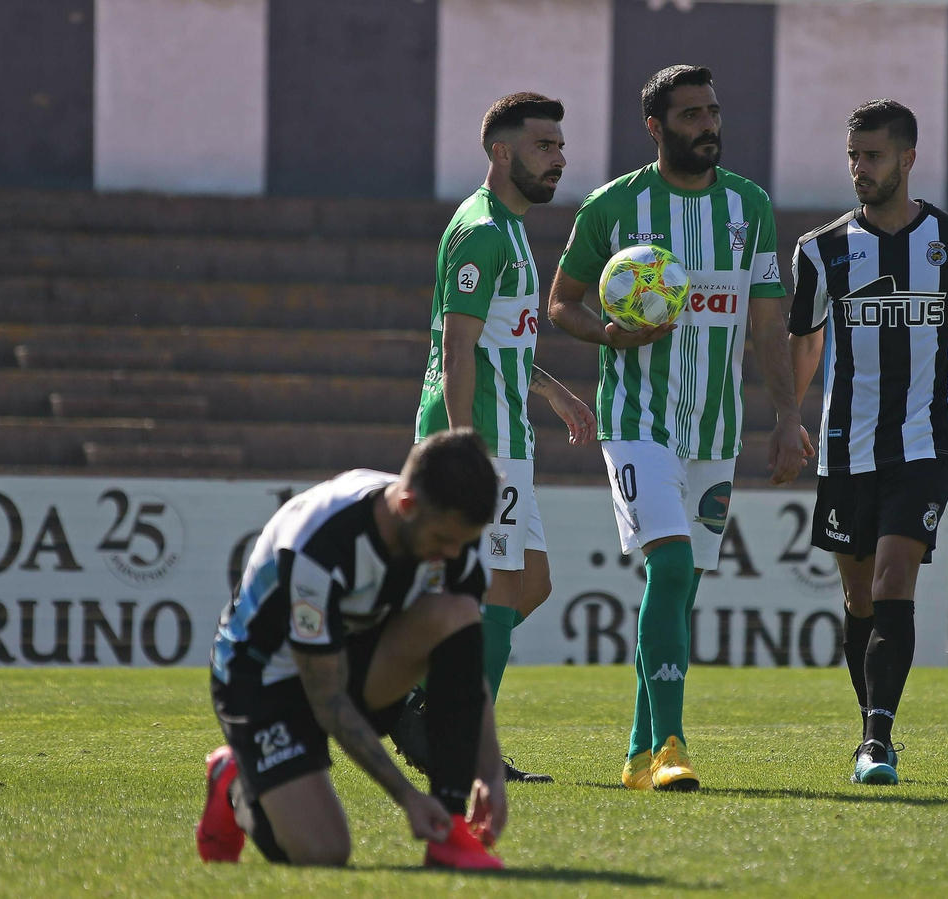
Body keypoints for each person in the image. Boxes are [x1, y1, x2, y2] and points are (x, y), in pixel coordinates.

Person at [548, 65, 810, 792]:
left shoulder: (748, 206)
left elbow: (766, 323)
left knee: (678, 590)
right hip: (636, 423)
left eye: (714, 111)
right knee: (667, 570)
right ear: (656, 127)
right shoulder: (614, 206)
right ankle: (671, 743)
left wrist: (788, 415)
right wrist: (608, 335)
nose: (709, 125)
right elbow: (561, 303)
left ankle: (636, 752)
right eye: (691, 114)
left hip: (714, 430)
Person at [787, 100, 948, 785]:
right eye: (853, 156)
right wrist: (784, 414)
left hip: (923, 444)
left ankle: (879, 740)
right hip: (844, 447)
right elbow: (806, 339)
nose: (861, 168)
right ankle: (870, 723)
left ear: (908, 158)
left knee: (891, 582)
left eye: (874, 156)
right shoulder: (819, 250)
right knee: (857, 598)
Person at [195, 429, 507, 869]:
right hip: (263, 682)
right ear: (406, 505)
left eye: (461, 540)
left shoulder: (452, 535)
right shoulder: (320, 545)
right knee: (324, 853)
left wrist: (490, 774)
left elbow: (466, 666)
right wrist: (407, 797)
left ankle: (450, 830)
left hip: (346, 660)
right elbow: (326, 699)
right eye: (443, 540)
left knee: (456, 612)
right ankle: (235, 781)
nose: (453, 553)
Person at [414, 92, 596, 784]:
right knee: (500, 585)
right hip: (481, 439)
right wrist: (463, 451)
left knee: (534, 584)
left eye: (559, 144)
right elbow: (457, 350)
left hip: (509, 435)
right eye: (544, 145)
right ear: (502, 152)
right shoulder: (484, 231)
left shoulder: (512, 228)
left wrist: (551, 389)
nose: (559, 157)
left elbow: (500, 341)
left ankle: (430, 702)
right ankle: (460, 738)